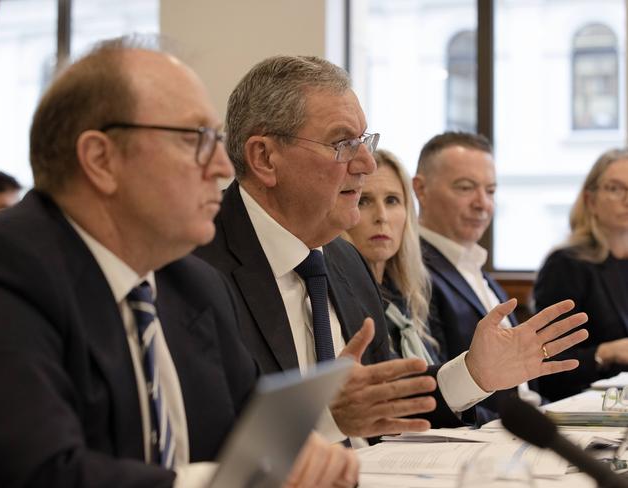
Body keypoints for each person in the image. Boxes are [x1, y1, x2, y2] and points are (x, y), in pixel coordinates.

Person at [0, 37, 358, 488]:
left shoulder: (193, 283)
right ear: (101, 160)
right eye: (195, 138)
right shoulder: (0, 273)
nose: (221, 166)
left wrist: (303, 454)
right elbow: (37, 474)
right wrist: (225, 482)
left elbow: (254, 440)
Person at [195, 55, 588, 441]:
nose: (366, 163)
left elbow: (384, 404)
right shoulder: (193, 267)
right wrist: (326, 420)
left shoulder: (345, 260)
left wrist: (474, 373)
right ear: (264, 157)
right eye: (343, 143)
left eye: (364, 142)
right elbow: (202, 442)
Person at [412, 131, 542, 419]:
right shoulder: (410, 270)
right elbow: (437, 389)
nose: (482, 203)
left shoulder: (478, 270)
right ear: (421, 189)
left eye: (491, 191)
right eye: (465, 188)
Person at [534, 148, 628, 401]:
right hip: (584, 409)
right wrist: (608, 352)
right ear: (591, 200)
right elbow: (546, 369)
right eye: (615, 188)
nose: (627, 199)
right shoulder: (565, 265)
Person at [344, 149, 438, 364]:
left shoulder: (408, 296)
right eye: (363, 201)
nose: (381, 217)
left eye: (392, 200)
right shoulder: (337, 299)